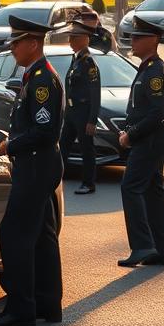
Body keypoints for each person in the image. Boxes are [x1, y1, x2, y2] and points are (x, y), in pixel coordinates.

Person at [0, 14, 64, 326]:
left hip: (34, 164)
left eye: (17, 43)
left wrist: (10, 146)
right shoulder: (36, 75)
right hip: (38, 163)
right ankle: (47, 303)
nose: (12, 49)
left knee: (13, 234)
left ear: (33, 43)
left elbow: (44, 131)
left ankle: (20, 308)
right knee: (42, 236)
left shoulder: (42, 80)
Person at [117, 15, 164, 268]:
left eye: (138, 37)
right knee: (152, 193)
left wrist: (132, 134)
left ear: (153, 40)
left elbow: (157, 113)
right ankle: (161, 252)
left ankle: (142, 245)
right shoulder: (147, 68)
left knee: (130, 187)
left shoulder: (155, 72)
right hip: (151, 138)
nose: (133, 41)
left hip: (151, 139)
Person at [64, 21, 103, 195]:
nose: (70, 41)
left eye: (73, 38)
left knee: (86, 149)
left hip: (83, 113)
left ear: (84, 39)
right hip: (71, 113)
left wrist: (92, 120)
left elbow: (95, 93)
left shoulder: (88, 63)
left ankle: (88, 183)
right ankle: (54, 178)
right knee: (62, 146)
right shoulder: (76, 59)